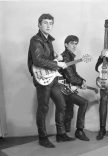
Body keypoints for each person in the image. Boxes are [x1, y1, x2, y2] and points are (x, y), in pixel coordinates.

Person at [27, 14, 75, 148]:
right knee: (43, 108)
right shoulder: (35, 40)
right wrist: (58, 64)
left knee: (62, 104)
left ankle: (61, 134)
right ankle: (42, 137)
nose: (48, 25)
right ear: (39, 25)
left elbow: (46, 57)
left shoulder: (49, 41)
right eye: (45, 23)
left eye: (51, 23)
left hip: (52, 77)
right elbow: (38, 60)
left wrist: (56, 57)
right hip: (42, 79)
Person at [59, 35, 90, 141]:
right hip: (63, 89)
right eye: (72, 43)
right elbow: (70, 76)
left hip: (67, 88)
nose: (74, 46)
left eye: (76, 44)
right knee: (83, 103)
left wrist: (82, 80)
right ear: (65, 44)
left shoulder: (70, 57)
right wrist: (81, 82)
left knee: (69, 111)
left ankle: (64, 134)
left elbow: (74, 73)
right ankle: (79, 131)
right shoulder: (65, 57)